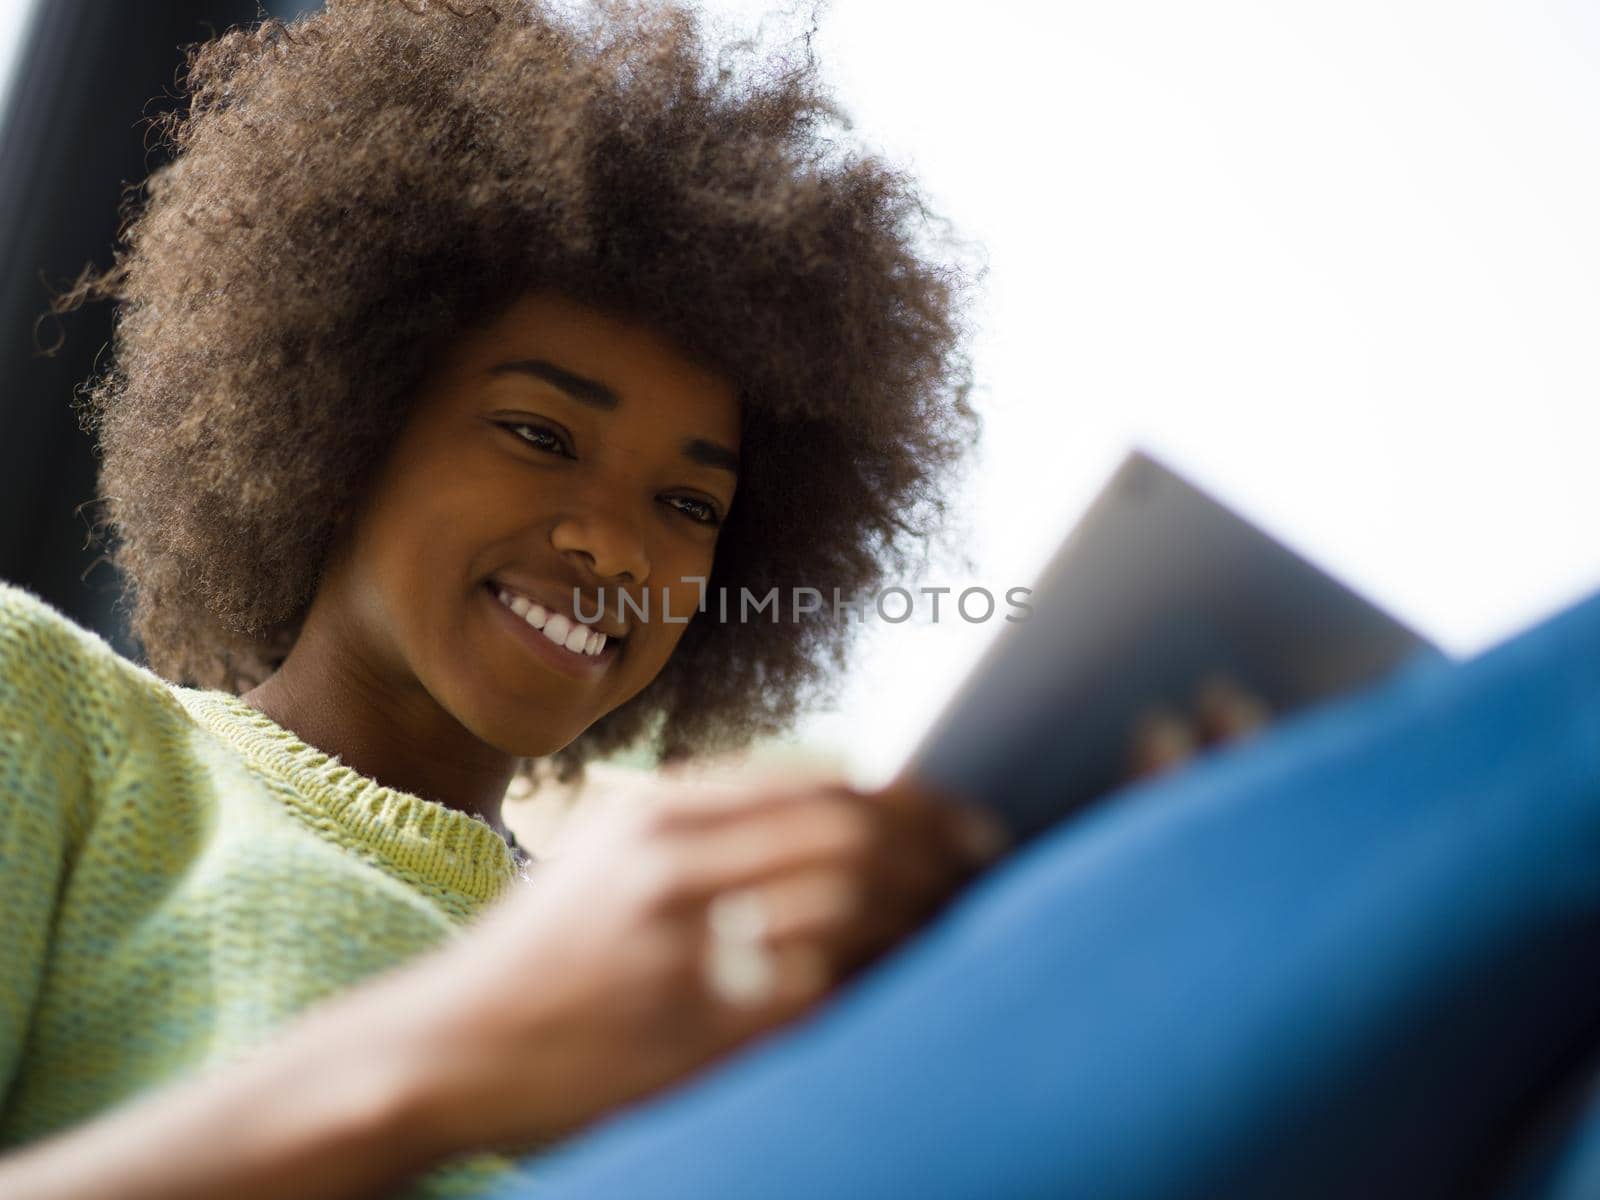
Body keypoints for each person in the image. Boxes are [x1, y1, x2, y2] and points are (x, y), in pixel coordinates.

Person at [0, 1, 1009, 1196]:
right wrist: (453, 1054)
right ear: (342, 426)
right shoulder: (52, 711)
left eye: (691, 507)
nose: (617, 546)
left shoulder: (698, 978)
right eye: (540, 433)